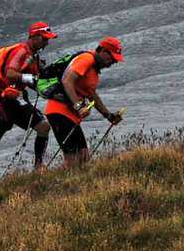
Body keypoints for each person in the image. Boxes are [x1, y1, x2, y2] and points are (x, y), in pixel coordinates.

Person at [0, 24, 56, 181]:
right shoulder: (21, 51)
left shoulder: (34, 56)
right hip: (3, 99)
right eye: (44, 39)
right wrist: (29, 78)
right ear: (34, 37)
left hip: (19, 98)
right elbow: (11, 73)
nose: (46, 43)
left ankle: (38, 166)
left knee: (43, 126)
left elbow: (32, 80)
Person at [42, 38, 125, 168]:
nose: (113, 62)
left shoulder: (94, 69)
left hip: (71, 114)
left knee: (83, 156)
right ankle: (61, 185)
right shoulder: (86, 59)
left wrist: (108, 116)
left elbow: (92, 95)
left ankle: (73, 184)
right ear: (103, 51)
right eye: (112, 58)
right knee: (72, 158)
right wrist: (79, 106)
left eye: (116, 59)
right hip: (59, 111)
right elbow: (67, 81)